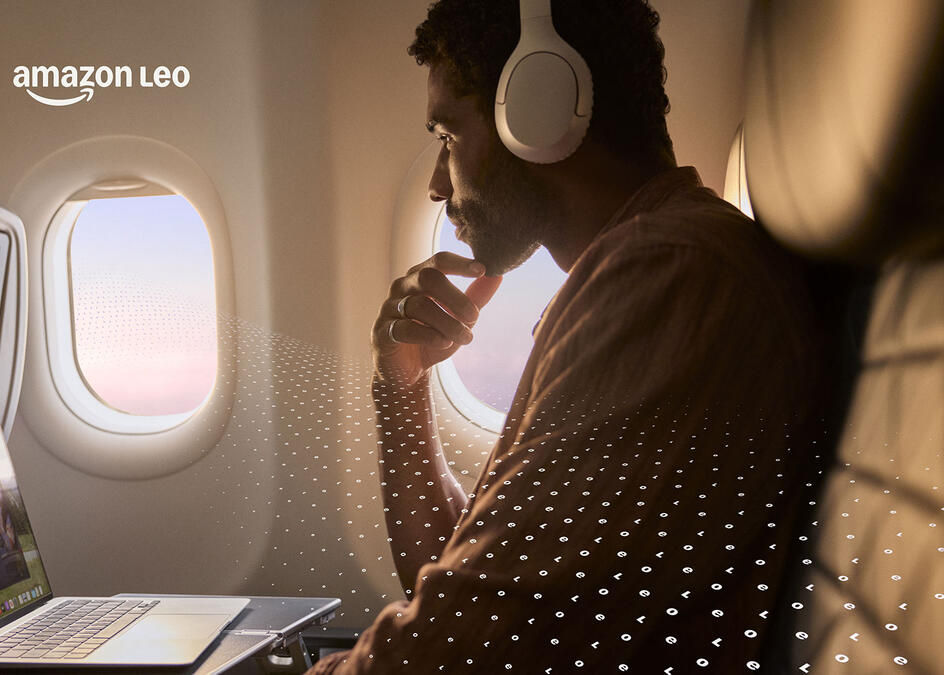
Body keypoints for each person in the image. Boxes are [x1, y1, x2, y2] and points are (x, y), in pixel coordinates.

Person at [308, 0, 829, 672]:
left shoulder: (666, 278)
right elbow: (459, 575)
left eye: (448, 137)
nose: (438, 183)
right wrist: (400, 382)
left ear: (539, 109)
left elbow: (459, 651)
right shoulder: (633, 274)